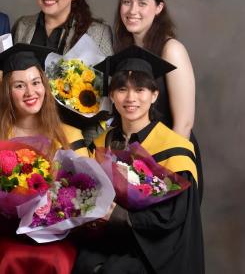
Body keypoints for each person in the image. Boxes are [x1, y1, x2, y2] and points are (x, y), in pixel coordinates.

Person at [72, 46, 204, 273]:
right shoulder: (104, 142)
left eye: (140, 89)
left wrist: (118, 216)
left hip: (156, 249)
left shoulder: (175, 149)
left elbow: (171, 218)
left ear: (154, 95)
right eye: (122, 89)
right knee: (80, 262)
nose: (131, 98)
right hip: (110, 239)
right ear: (112, 96)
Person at [0, 44, 89, 274]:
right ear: (7, 92)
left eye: (36, 82)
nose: (30, 92)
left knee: (57, 261)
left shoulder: (70, 136)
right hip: (6, 236)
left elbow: (84, 191)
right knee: (7, 258)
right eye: (19, 85)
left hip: (57, 236)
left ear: (44, 86)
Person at [112, 0, 202, 198]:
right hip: (132, 157)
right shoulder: (122, 50)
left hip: (168, 160)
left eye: (142, 3)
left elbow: (184, 122)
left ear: (159, 7)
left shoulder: (172, 50)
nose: (132, 10)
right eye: (127, 2)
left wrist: (159, 177)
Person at [12, 0, 113, 140]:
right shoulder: (23, 26)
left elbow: (106, 93)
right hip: (26, 132)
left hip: (78, 135)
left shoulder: (97, 32)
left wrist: (88, 144)